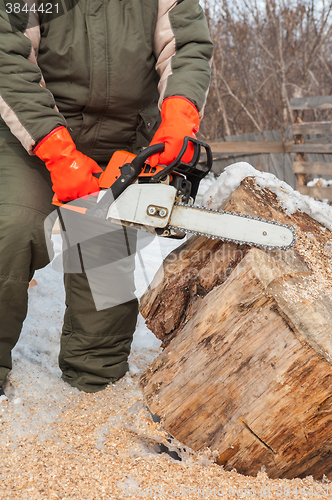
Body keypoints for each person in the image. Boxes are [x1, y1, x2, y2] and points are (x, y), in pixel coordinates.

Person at [0, 0, 213, 398]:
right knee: (14, 225)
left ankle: (94, 390)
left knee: (104, 256)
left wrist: (178, 115)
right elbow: (7, 55)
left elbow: (186, 47)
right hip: (32, 129)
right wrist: (58, 151)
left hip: (123, 136)